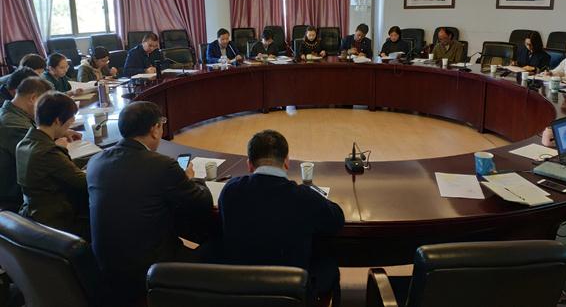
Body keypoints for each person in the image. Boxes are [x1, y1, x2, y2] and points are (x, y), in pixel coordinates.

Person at [87, 101, 214, 305]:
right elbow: (202, 202)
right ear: (155, 130)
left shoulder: (96, 162)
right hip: (150, 270)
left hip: (106, 267)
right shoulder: (162, 165)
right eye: (161, 124)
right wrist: (192, 179)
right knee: (216, 247)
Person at [218, 130, 345, 306]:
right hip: (291, 291)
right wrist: (318, 198)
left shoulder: (230, 190)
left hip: (241, 288)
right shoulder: (305, 197)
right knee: (327, 260)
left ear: (249, 165)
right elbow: (337, 220)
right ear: (287, 162)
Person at [16, 92, 88, 238]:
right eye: (68, 123)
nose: (69, 127)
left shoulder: (24, 143)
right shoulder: (47, 152)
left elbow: (59, 167)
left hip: (32, 213)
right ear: (57, 121)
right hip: (56, 221)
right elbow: (84, 182)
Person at [0, 77, 53, 212]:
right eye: (44, 103)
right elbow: (39, 155)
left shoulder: (15, 113)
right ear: (33, 98)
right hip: (15, 194)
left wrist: (57, 131)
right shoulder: (12, 123)